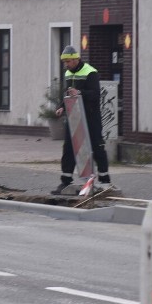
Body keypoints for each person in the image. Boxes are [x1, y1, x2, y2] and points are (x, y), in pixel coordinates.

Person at [51, 45, 112, 194]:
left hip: (91, 117)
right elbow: (68, 94)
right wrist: (62, 106)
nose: (66, 65)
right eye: (65, 62)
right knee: (69, 149)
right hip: (74, 116)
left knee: (97, 147)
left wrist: (79, 92)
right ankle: (65, 181)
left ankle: (105, 180)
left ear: (77, 59)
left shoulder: (90, 72)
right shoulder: (67, 74)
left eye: (69, 61)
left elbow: (95, 94)